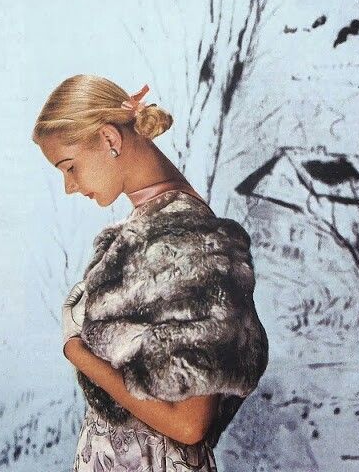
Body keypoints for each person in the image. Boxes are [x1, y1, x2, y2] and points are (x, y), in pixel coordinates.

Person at [32, 74, 268, 471]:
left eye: (70, 167)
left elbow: (190, 425)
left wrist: (78, 352)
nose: (69, 186)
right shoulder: (155, 225)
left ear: (109, 139)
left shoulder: (187, 240)